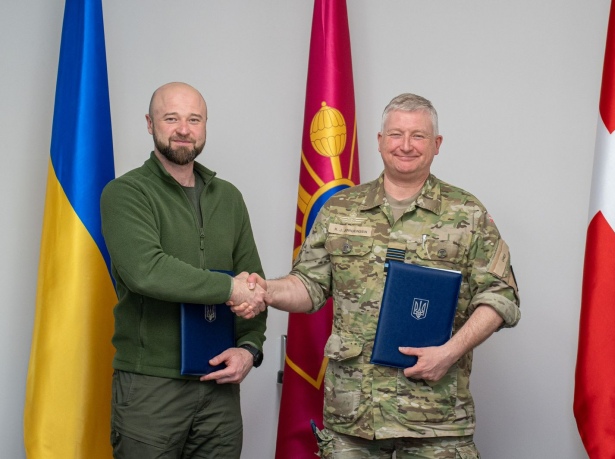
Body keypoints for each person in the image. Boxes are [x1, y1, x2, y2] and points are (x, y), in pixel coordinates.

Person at [236, 93, 520, 458]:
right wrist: (266, 290)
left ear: (437, 144)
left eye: (418, 136)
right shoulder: (340, 209)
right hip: (353, 417)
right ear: (380, 140)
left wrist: (450, 352)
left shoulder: (467, 213)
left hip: (435, 418)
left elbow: (501, 296)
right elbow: (309, 284)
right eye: (396, 134)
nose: (406, 145)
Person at [100, 82, 267, 459]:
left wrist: (249, 348)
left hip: (220, 388)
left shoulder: (229, 198)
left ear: (205, 125)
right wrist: (230, 288)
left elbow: (254, 283)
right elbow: (147, 271)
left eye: (194, 119)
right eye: (171, 118)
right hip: (151, 387)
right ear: (149, 123)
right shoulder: (126, 193)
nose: (183, 129)